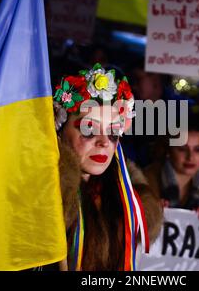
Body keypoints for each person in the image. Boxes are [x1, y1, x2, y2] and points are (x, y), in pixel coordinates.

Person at [50, 63, 163, 271]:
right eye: (89, 129)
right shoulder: (43, 196)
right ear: (59, 129)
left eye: (113, 132)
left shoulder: (126, 202)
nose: (104, 143)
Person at [144, 122, 199, 220]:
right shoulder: (145, 183)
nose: (190, 157)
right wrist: (149, 214)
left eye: (198, 150)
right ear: (168, 150)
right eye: (182, 149)